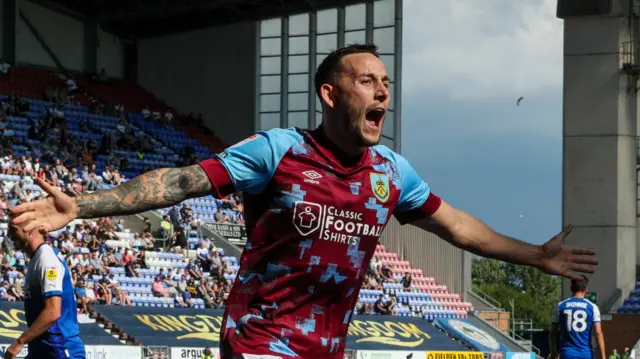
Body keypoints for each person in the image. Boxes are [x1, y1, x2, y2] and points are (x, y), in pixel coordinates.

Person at [11, 44, 598, 359]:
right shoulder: (279, 151)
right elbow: (182, 181)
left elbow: (461, 229)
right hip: (260, 342)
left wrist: (536, 257)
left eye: (387, 82)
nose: (383, 91)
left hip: (327, 349)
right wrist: (84, 206)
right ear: (330, 91)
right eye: (367, 80)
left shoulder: (392, 173)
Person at [3, 223, 85, 359]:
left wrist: (19, 342)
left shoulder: (46, 259)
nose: (10, 235)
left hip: (60, 347)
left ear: (29, 229)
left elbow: (53, 312)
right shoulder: (36, 259)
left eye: (13, 230)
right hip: (43, 347)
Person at [549, 276, 605, 359]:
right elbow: (598, 333)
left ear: (571, 288)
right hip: (585, 353)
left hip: (567, 353)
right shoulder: (592, 307)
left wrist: (553, 352)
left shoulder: (560, 306)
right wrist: (603, 356)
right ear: (586, 289)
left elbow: (553, 333)